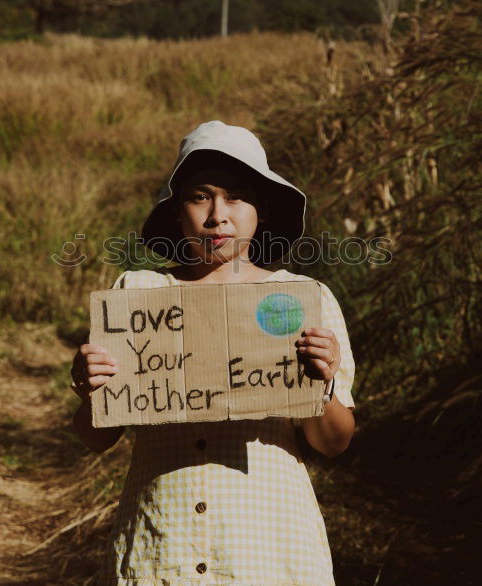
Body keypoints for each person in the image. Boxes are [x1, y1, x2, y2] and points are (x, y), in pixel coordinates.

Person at [70, 120, 357, 585]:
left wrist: (321, 384)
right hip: (161, 547)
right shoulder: (138, 295)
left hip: (268, 551)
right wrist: (90, 390)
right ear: (178, 212)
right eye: (200, 196)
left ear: (260, 211)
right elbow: (96, 437)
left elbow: (334, 442)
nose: (217, 215)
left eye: (237, 197)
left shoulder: (303, 298)